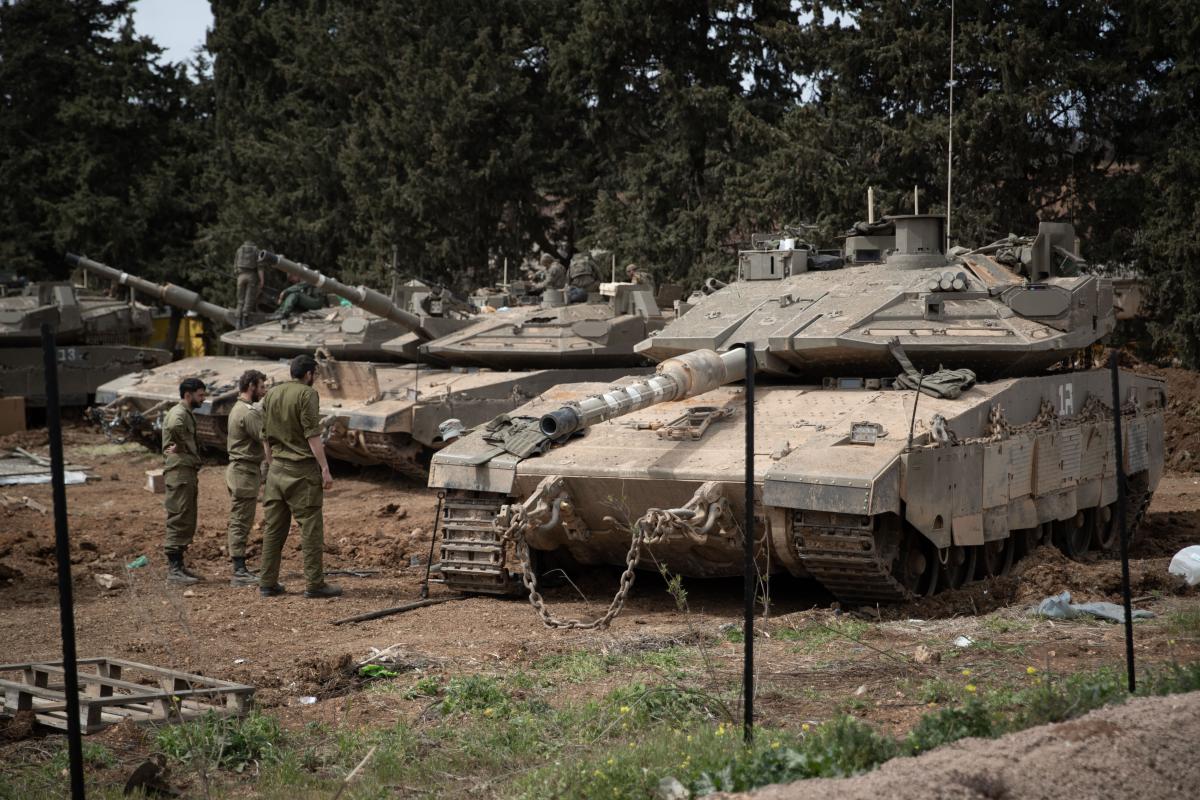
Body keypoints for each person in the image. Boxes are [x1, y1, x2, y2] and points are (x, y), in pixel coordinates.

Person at [258, 354, 341, 599]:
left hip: (277, 471)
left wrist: (271, 464)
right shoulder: (307, 394)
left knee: (273, 530)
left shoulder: (271, 393)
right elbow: (312, 435)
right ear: (308, 374)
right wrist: (324, 468)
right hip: (301, 473)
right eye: (315, 374)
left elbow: (265, 436)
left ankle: (267, 582)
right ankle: (315, 584)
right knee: (311, 529)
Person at [225, 369, 270, 587]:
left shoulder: (238, 408)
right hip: (244, 472)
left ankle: (240, 568)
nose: (264, 391)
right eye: (261, 387)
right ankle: (239, 571)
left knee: (240, 519)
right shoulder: (248, 413)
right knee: (241, 521)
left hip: (241, 471)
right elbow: (266, 439)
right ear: (251, 386)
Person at [162, 377, 206, 584]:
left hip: (185, 471)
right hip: (179, 472)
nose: (203, 399)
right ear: (188, 395)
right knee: (179, 516)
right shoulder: (179, 413)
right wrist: (179, 446)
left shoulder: (186, 413)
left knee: (186, 516)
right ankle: (174, 569)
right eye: (200, 395)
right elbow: (174, 427)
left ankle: (179, 566)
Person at [233, 241, 263, 328]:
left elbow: (235, 265)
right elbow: (260, 267)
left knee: (240, 300)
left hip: (240, 276)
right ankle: (245, 320)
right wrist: (262, 280)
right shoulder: (256, 250)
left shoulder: (239, 250)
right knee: (248, 299)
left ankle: (238, 322)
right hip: (251, 276)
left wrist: (238, 275)